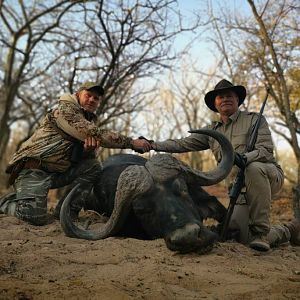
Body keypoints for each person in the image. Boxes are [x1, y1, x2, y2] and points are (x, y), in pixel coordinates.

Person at [148, 79, 300, 251]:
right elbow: (182, 144)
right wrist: (152, 144)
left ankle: (261, 232)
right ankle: (290, 229)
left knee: (253, 168)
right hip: (239, 188)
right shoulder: (212, 131)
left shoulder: (255, 120)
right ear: (215, 103)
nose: (225, 99)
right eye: (220, 97)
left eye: (230, 95)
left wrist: (243, 158)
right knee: (240, 237)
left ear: (237, 100)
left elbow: (265, 151)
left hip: (268, 176)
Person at [0, 81, 151, 226]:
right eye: (88, 95)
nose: (92, 99)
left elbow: (86, 155)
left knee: (92, 166)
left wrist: (86, 151)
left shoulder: (88, 121)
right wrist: (131, 142)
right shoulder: (65, 110)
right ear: (78, 94)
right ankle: (4, 203)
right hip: (34, 170)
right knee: (33, 218)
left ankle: (66, 212)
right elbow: (94, 133)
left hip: (56, 173)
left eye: (96, 98)